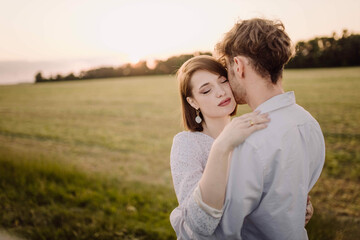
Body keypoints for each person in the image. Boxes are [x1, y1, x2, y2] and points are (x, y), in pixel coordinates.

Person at [170, 55, 314, 239]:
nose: (221, 92)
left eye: (223, 81)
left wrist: (294, 209)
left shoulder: (251, 128)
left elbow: (270, 196)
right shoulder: (186, 144)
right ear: (192, 102)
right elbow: (199, 224)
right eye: (206, 91)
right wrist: (222, 145)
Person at [211, 18, 325, 239]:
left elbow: (225, 231)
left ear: (239, 66)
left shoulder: (248, 138)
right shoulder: (309, 123)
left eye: (227, 67)